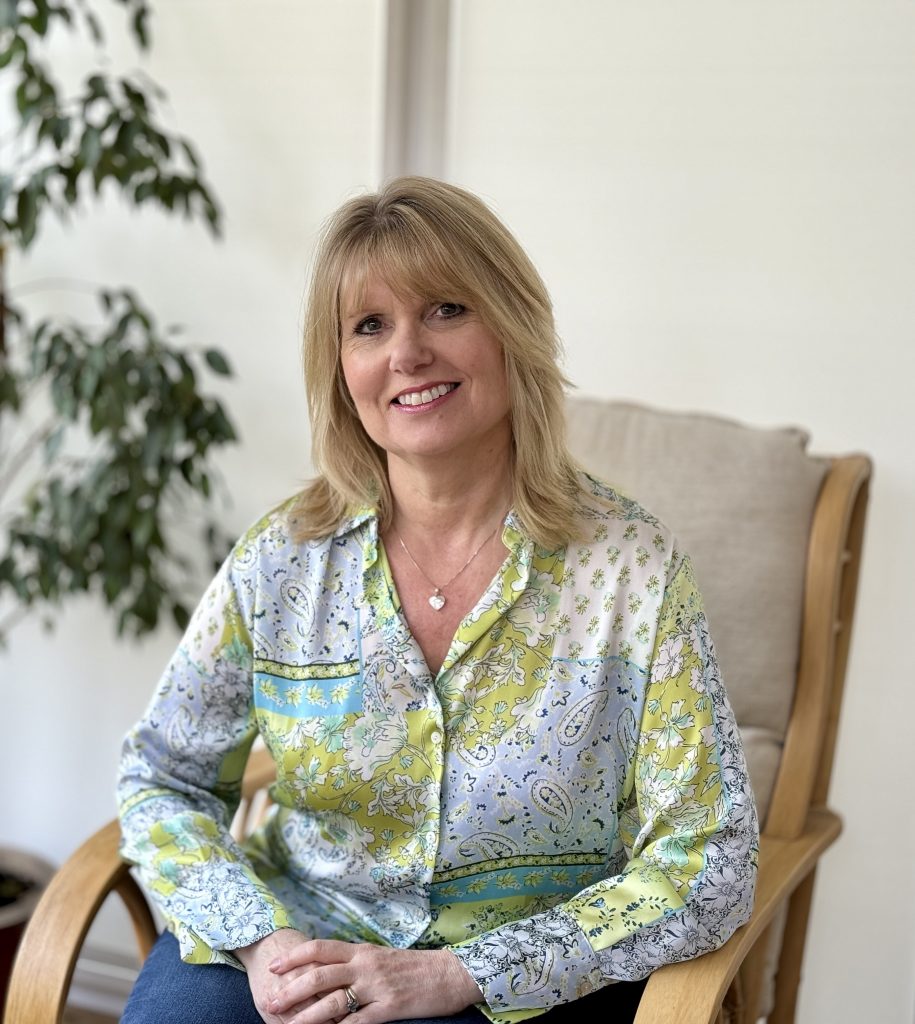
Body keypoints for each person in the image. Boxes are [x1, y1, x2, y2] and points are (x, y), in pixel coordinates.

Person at [117, 176, 758, 1024]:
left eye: (446, 309)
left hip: (527, 981)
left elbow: (710, 860)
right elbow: (163, 778)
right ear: (340, 368)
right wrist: (259, 941)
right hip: (300, 940)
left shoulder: (631, 570)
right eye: (369, 326)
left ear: (513, 327)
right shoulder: (281, 562)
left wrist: (464, 974)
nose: (408, 353)